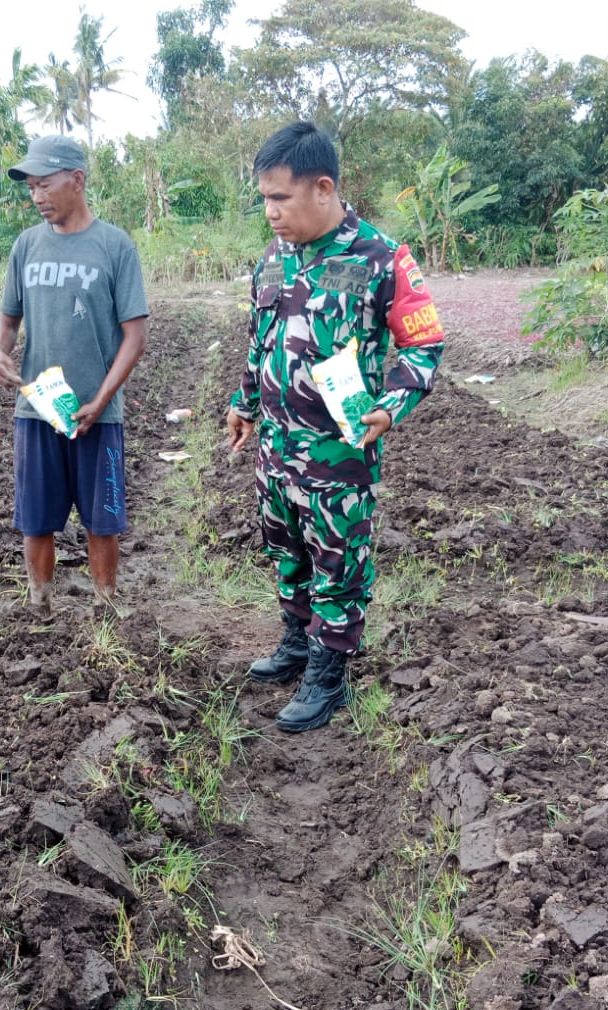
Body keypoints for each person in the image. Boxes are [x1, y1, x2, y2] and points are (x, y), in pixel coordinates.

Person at [226, 121, 445, 732]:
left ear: (323, 188)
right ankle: (297, 642)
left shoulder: (383, 258)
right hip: (275, 449)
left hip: (338, 453)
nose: (270, 212)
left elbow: (424, 347)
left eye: (280, 198)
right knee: (287, 552)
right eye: (264, 198)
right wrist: (245, 404)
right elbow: (259, 340)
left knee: (338, 560)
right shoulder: (273, 259)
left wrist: (391, 406)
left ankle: (330, 672)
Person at [0, 134, 149, 615]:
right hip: (37, 409)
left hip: (96, 414)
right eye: (31, 188)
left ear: (77, 180)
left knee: (103, 519)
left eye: (45, 185)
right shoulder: (26, 247)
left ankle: (106, 606)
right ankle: (39, 605)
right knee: (36, 518)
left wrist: (100, 400)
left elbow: (135, 335)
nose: (36, 197)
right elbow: (7, 320)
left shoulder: (115, 246)